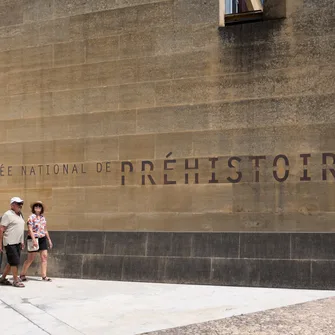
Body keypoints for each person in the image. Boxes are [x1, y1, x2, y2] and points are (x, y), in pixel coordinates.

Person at [20, 201, 53, 282]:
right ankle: (22, 274)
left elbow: (45, 230)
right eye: (36, 206)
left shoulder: (43, 218)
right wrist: (34, 240)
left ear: (41, 208)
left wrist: (49, 240)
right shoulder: (31, 217)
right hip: (33, 238)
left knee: (44, 257)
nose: (37, 207)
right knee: (30, 258)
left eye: (39, 206)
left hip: (42, 238)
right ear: (33, 208)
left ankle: (44, 276)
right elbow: (30, 229)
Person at [0, 197, 25, 288]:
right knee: (14, 262)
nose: (20, 205)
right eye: (18, 204)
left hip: (17, 242)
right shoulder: (7, 214)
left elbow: (20, 229)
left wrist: (22, 241)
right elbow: (1, 229)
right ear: (12, 205)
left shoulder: (20, 214)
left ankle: (2, 278)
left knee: (11, 261)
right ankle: (15, 280)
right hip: (10, 242)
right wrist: (0, 244)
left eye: (21, 204)